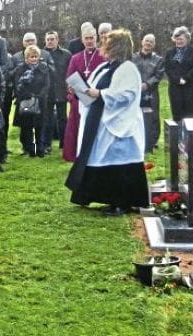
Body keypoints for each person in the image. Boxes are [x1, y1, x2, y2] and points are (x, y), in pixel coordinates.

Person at [65, 29, 149, 216]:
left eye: (107, 44)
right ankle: (109, 199)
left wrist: (101, 94)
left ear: (117, 47)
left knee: (118, 164)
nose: (103, 46)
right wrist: (80, 89)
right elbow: (91, 89)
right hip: (100, 122)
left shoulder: (127, 68)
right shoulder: (105, 67)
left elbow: (127, 94)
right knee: (102, 161)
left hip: (119, 125)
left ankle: (122, 202)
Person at [63, 25, 105, 162]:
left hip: (97, 97)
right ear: (82, 40)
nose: (89, 41)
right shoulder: (75, 58)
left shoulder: (103, 55)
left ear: (96, 38)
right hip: (79, 99)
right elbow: (71, 77)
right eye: (86, 38)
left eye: (91, 38)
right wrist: (79, 93)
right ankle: (75, 154)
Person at [12, 45, 51, 157]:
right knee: (26, 127)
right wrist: (28, 95)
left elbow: (47, 84)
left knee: (40, 126)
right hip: (26, 100)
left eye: (35, 56)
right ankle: (29, 149)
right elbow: (17, 84)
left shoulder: (44, 67)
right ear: (26, 58)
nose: (34, 59)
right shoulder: (20, 68)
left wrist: (39, 96)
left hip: (40, 101)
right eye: (31, 57)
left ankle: (40, 149)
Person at [131, 34, 165, 152]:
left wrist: (147, 84)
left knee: (153, 117)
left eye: (151, 42)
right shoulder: (133, 57)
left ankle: (152, 142)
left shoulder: (158, 59)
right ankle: (136, 139)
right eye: (146, 41)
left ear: (154, 44)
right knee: (135, 115)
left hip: (151, 92)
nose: (148, 43)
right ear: (142, 42)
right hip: (135, 92)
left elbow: (158, 75)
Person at [43, 30, 72, 152]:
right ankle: (47, 144)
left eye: (52, 39)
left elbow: (70, 72)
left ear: (57, 40)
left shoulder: (66, 54)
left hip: (61, 90)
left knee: (62, 118)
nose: (50, 41)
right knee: (47, 119)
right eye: (48, 39)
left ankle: (63, 143)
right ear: (45, 40)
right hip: (46, 91)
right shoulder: (41, 54)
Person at [164, 26, 193, 123]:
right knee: (177, 113)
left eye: (181, 39)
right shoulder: (170, 52)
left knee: (190, 114)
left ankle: (189, 137)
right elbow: (167, 69)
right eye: (177, 39)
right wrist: (177, 80)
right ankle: (178, 136)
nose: (179, 41)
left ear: (187, 39)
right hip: (174, 87)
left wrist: (185, 79)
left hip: (190, 86)